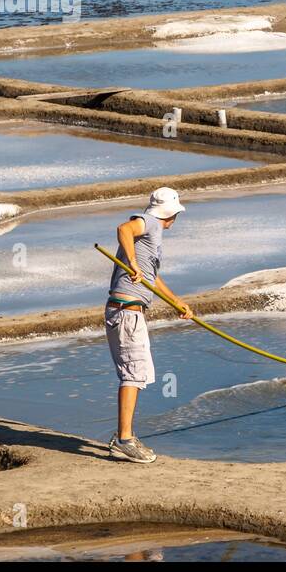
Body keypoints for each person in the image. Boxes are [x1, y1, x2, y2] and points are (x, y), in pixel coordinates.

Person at [104, 186, 192, 464]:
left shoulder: (153, 236)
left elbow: (152, 279)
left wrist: (177, 302)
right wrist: (131, 262)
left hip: (130, 311)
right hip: (126, 312)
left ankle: (125, 436)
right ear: (173, 214)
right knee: (134, 374)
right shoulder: (150, 223)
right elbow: (123, 229)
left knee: (136, 373)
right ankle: (124, 441)